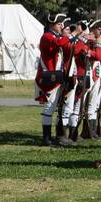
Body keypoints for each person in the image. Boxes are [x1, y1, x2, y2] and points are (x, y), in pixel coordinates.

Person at [36, 12, 68, 146]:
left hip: (57, 76)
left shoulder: (55, 35)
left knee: (55, 106)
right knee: (49, 107)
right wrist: (70, 36)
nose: (62, 26)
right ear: (51, 24)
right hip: (50, 76)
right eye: (59, 23)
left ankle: (54, 136)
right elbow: (60, 42)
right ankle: (46, 138)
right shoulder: (47, 36)